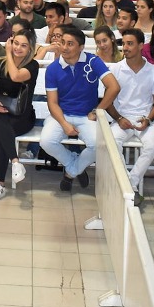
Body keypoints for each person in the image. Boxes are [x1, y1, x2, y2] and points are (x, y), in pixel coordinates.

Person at [42, 25, 119, 192]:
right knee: (46, 142)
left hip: (86, 116)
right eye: (62, 42)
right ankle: (75, 164)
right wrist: (64, 123)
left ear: (81, 47)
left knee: (97, 145)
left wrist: (97, 110)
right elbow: (52, 103)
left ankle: (71, 172)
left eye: (70, 44)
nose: (64, 47)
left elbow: (114, 87)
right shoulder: (53, 68)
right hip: (60, 115)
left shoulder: (93, 61)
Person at [0, 29, 41, 201]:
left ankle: (0, 183)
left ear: (30, 48)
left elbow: (15, 76)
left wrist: (7, 52)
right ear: (11, 41)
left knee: (1, 131)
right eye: (16, 43)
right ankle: (15, 163)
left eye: (24, 45)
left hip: (22, 117)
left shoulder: (32, 66)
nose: (18, 48)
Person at [110, 28, 154, 192]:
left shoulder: (153, 71)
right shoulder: (116, 69)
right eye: (124, 43)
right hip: (121, 118)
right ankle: (126, 183)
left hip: (144, 119)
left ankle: (130, 182)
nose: (125, 47)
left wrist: (148, 119)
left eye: (130, 44)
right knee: (112, 142)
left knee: (152, 146)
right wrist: (119, 119)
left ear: (141, 46)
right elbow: (108, 102)